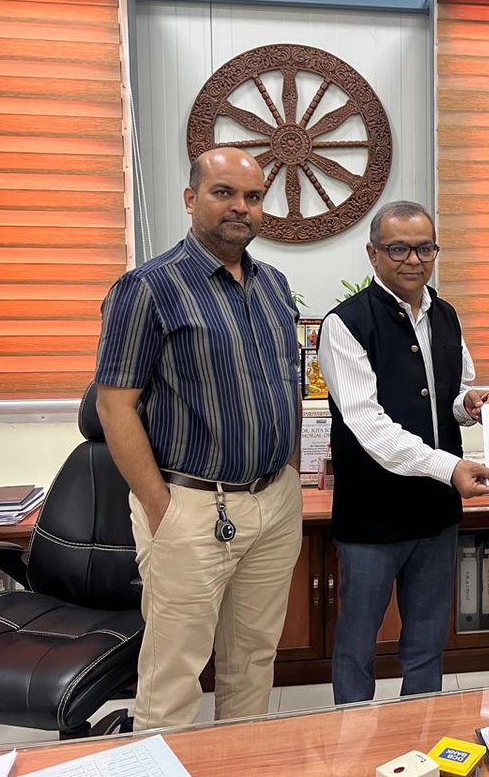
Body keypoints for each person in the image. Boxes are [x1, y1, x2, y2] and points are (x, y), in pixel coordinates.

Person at [94, 147, 304, 730]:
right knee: (173, 675)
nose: (240, 207)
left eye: (253, 197)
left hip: (274, 502)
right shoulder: (147, 288)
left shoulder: (274, 285)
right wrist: (159, 506)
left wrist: (287, 471)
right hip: (189, 504)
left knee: (253, 661)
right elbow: (114, 404)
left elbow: (287, 381)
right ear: (191, 200)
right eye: (223, 193)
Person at [317, 200, 489, 704]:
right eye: (398, 248)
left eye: (424, 248)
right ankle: (353, 730)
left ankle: (420, 732)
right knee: (357, 644)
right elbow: (369, 426)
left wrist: (470, 404)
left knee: (426, 644)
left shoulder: (446, 315)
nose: (413, 260)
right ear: (373, 254)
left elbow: (452, 398)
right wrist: (451, 467)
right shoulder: (345, 324)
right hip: (372, 517)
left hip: (435, 514)